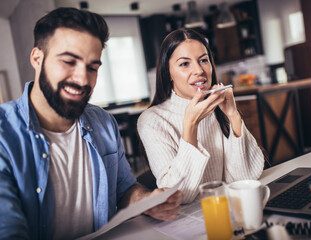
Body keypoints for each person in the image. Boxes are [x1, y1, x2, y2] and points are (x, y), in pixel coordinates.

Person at [0, 7, 182, 240]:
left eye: (92, 67)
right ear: (37, 58)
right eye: (69, 61)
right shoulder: (4, 134)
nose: (83, 79)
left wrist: (147, 201)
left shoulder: (103, 122)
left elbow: (124, 189)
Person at [137, 28, 264, 203]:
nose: (199, 70)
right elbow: (178, 196)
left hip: (229, 209)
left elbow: (245, 178)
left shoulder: (218, 107)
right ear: (168, 73)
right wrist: (191, 124)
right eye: (184, 64)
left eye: (203, 60)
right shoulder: (152, 120)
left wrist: (233, 115)